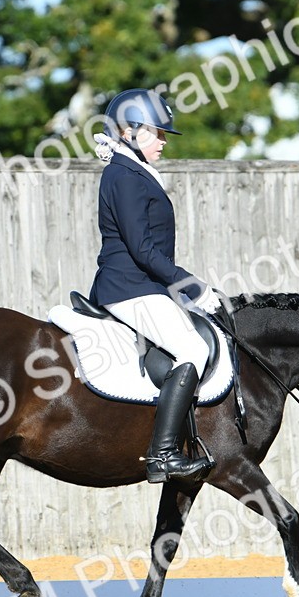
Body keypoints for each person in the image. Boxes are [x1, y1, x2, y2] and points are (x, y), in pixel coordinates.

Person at [88, 88, 223, 483]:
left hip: (143, 287)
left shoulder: (133, 171)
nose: (164, 141)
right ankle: (163, 454)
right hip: (130, 288)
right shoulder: (125, 175)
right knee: (194, 349)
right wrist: (191, 285)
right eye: (157, 133)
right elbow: (143, 249)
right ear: (129, 130)